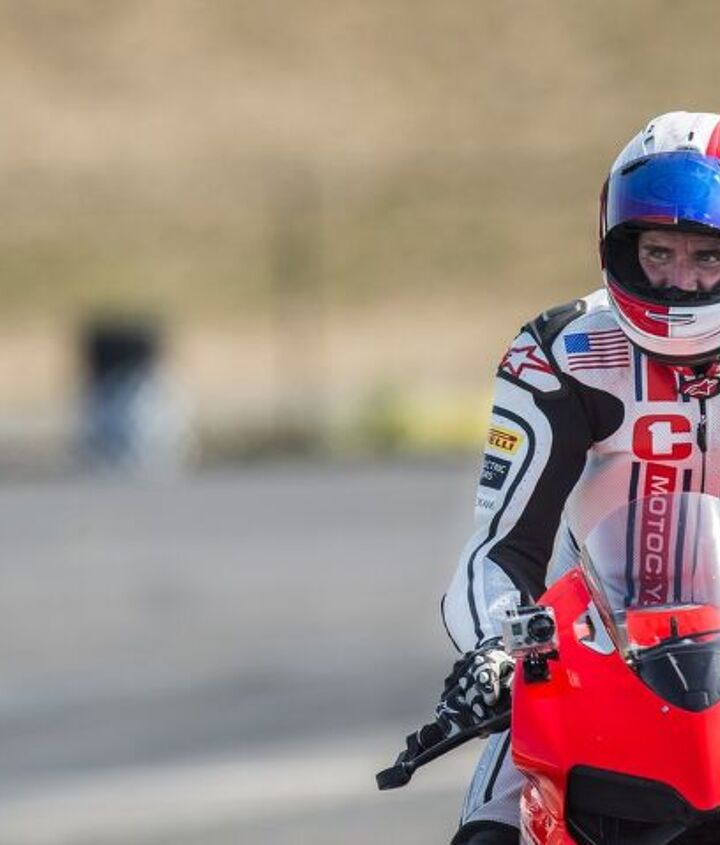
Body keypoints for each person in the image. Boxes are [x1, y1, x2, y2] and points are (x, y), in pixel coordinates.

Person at [435, 111, 720, 845]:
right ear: (618, 246)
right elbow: (501, 546)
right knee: (491, 836)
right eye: (657, 252)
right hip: (596, 661)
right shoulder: (558, 351)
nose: (678, 279)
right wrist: (497, 651)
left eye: (706, 257)